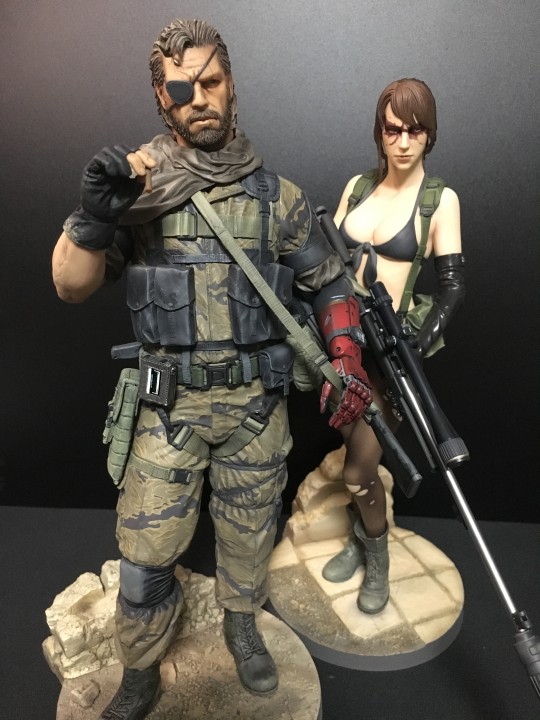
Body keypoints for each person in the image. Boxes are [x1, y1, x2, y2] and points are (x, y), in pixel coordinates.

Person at [52, 18, 372, 720]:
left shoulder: (278, 198)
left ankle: (241, 627)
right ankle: (140, 672)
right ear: (161, 101)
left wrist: (346, 357)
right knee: (144, 559)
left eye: (211, 82)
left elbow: (330, 284)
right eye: (180, 90)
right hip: (169, 412)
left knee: (249, 536)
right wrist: (94, 215)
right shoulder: (138, 194)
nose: (198, 99)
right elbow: (70, 286)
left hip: (254, 410)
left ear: (231, 84)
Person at [322, 78, 465, 615]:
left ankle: (375, 555)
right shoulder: (359, 187)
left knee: (359, 469)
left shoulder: (438, 201)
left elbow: (453, 286)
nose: (403, 142)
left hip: (388, 355)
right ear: (379, 133)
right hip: (341, 345)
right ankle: (359, 537)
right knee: (346, 447)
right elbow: (327, 262)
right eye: (392, 130)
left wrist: (416, 344)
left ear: (430, 135)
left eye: (415, 131)